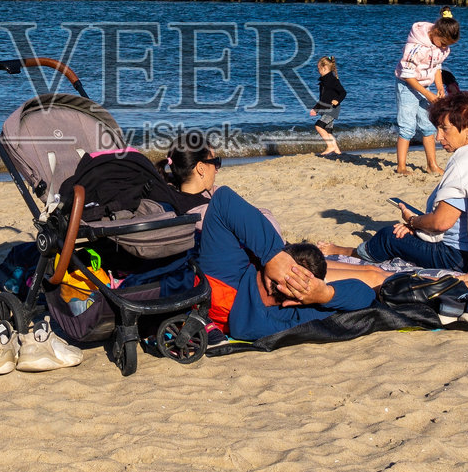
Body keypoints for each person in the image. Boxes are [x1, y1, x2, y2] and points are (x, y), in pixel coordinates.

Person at [158, 137, 388, 340]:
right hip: (242, 277)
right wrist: (323, 294)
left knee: (370, 275)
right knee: (371, 276)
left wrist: (274, 257)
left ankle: (401, 282)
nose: (217, 169)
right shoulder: (296, 313)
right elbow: (364, 296)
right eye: (215, 163)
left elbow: (224, 199)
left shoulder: (269, 316)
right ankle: (403, 283)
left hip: (230, 280)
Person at [326, 93, 468, 290]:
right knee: (408, 228)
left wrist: (413, 223)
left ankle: (347, 252)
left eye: (445, 129)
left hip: (458, 255)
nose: (438, 137)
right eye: (437, 129)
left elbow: (440, 223)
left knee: (389, 236)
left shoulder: (465, 162)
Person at [394, 16, 460, 176]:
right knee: (407, 126)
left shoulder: (441, 47)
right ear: (436, 32)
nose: (444, 47)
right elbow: (407, 75)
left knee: (428, 125)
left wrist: (439, 86)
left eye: (447, 45)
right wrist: (428, 94)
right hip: (407, 85)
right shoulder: (416, 47)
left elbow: (437, 67)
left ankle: (432, 165)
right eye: (443, 43)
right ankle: (401, 167)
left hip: (426, 85)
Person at [309, 56, 346, 156]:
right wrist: (315, 109)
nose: (318, 71)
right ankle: (337, 152)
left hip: (332, 109)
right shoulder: (324, 81)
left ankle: (330, 146)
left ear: (324, 67)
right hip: (326, 109)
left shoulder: (332, 80)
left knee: (318, 126)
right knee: (327, 131)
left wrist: (337, 100)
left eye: (319, 69)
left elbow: (343, 92)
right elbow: (323, 99)